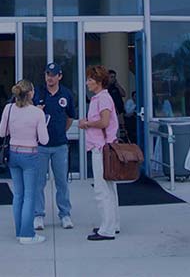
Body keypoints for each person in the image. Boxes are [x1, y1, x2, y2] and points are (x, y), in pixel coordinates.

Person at [75, 66, 121, 241]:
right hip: (105, 147)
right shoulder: (102, 98)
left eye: (90, 80)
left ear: (99, 82)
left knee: (102, 189)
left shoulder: (102, 99)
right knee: (109, 188)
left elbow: (104, 122)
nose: (87, 83)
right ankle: (112, 224)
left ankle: (107, 229)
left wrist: (86, 123)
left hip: (101, 148)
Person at [2, 80, 50, 244]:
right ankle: (27, 234)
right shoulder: (37, 113)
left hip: (13, 153)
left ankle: (19, 231)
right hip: (29, 154)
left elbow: (2, 132)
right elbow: (44, 139)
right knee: (30, 196)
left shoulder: (8, 109)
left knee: (18, 195)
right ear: (30, 94)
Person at [32, 62, 75, 231]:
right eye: (47, 74)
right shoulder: (38, 93)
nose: (49, 78)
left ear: (60, 76)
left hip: (59, 145)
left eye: (53, 74)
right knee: (38, 182)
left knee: (62, 182)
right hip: (40, 146)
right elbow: (29, 115)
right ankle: (38, 215)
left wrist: (60, 131)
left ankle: (65, 214)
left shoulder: (66, 94)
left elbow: (70, 117)